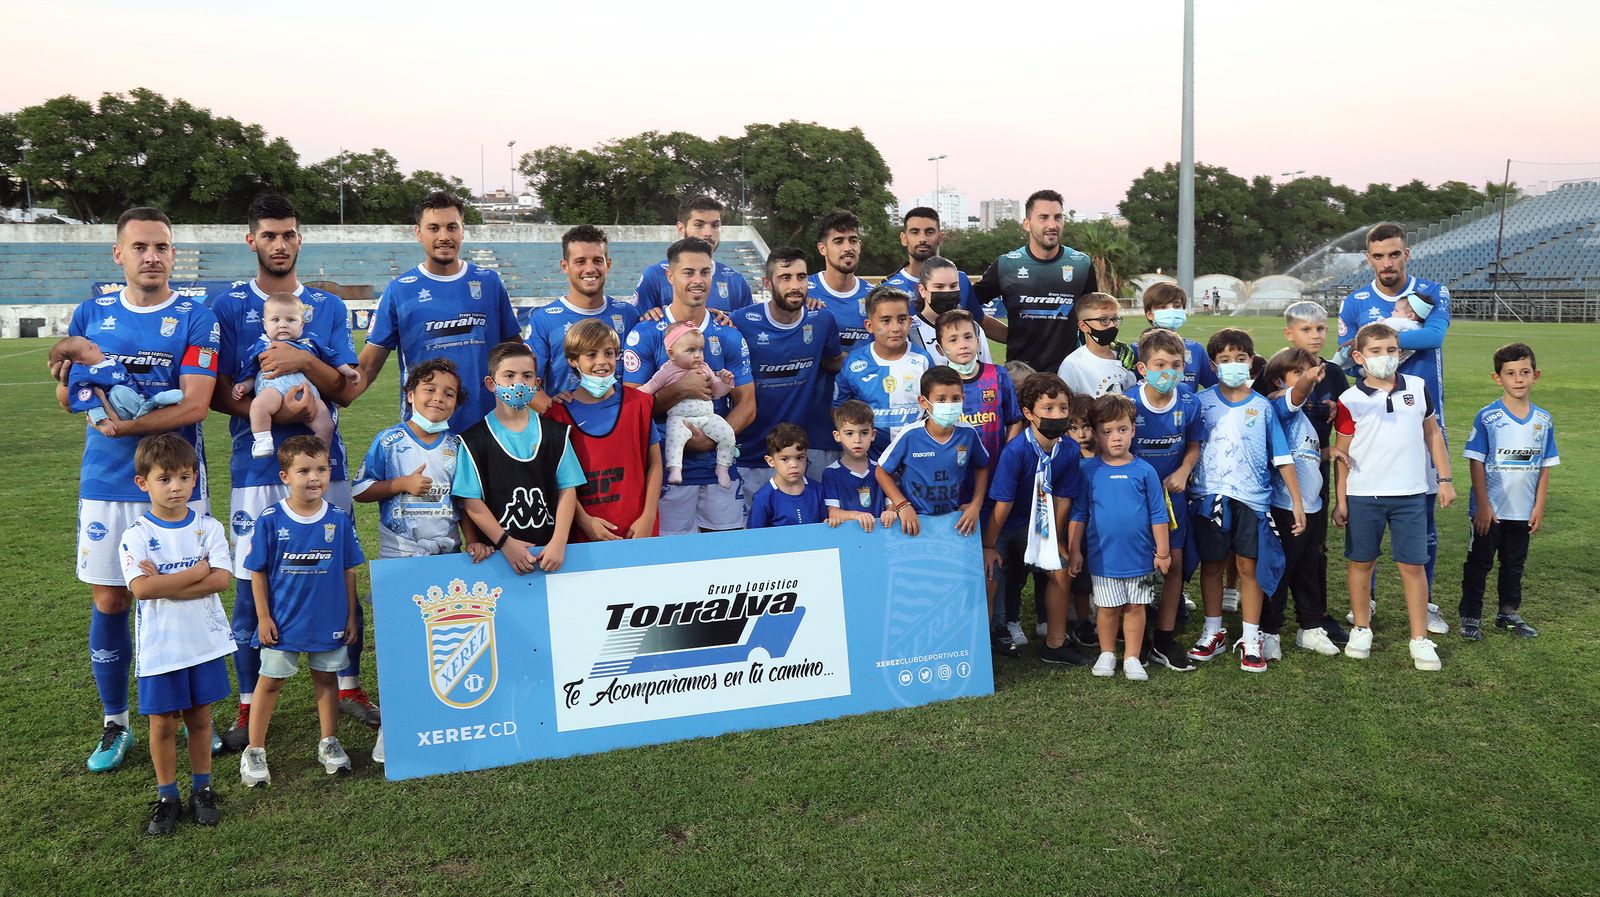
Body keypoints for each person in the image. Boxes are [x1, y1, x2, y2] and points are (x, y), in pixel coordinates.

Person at [51, 206, 220, 773]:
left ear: (174, 254)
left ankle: (198, 712)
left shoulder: (197, 317)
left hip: (176, 481)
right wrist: (85, 392)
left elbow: (195, 404)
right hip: (106, 480)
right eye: (141, 247)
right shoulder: (90, 313)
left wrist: (124, 423)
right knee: (111, 598)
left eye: (162, 247)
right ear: (118, 254)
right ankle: (115, 722)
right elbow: (69, 397)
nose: (152, 257)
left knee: (189, 591)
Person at [209, 193, 370, 749]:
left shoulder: (325, 307)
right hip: (257, 473)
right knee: (250, 581)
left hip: (327, 466)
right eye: (269, 235)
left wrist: (305, 365)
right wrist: (270, 409)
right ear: (251, 239)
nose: (280, 244)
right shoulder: (228, 307)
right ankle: (248, 701)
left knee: (340, 572)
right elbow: (218, 394)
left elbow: (347, 390)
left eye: (289, 234)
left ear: (300, 240)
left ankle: (348, 688)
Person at [1337, 222, 1453, 634]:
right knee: (1367, 505)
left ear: (1407, 254)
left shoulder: (1432, 292)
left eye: (1395, 254)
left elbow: (1434, 337)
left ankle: (1428, 601)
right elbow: (1346, 356)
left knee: (1421, 515)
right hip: (1371, 417)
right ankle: (1364, 603)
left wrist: (1385, 334)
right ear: (1368, 258)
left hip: (1419, 414)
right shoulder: (1354, 301)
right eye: (1379, 256)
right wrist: (1399, 330)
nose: (1388, 262)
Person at [118, 435, 234, 834]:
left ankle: (202, 789)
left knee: (200, 719)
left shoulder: (208, 527)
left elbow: (223, 580)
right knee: (163, 724)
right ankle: (167, 795)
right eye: (164, 479)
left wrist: (168, 580)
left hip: (204, 642)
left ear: (195, 478)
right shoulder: (135, 534)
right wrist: (196, 572)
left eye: (184, 477)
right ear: (143, 483)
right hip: (161, 647)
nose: (175, 487)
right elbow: (141, 589)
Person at [238, 436, 364, 786]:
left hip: (328, 619)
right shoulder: (270, 519)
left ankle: (328, 742)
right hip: (283, 623)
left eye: (321, 469)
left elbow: (348, 570)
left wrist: (350, 614)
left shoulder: (338, 520)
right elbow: (257, 572)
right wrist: (263, 617)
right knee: (271, 681)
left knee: (326, 678)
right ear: (285, 476)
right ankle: (255, 749)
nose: (314, 478)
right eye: (304, 470)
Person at [1332, 322, 1456, 671]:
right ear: (1359, 356)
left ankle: (1420, 639)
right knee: (1361, 563)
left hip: (1411, 494)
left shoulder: (1417, 387)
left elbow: (1433, 434)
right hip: (1363, 494)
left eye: (1390, 350)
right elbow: (1341, 453)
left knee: (1412, 566)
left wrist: (1444, 478)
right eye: (1375, 351)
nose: (1385, 357)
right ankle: (1361, 628)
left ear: (1400, 353)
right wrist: (1340, 500)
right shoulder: (1349, 399)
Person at [1186, 328, 1305, 673]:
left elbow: (1281, 457)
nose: (1234, 365)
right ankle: (1213, 632)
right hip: (1210, 497)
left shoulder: (1263, 407)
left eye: (1241, 359)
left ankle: (1251, 638)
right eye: (1225, 360)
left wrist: (1296, 500)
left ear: (1251, 362)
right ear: (1213, 364)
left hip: (1253, 500)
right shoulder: (1201, 402)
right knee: (1211, 565)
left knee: (1248, 568)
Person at [358, 190, 522, 433]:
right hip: (427, 432)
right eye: (434, 228)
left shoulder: (489, 283)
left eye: (452, 227)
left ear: (463, 230)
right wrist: (328, 397)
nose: (444, 236)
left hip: (491, 427)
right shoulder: (399, 291)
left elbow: (517, 352)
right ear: (418, 232)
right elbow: (367, 367)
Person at [623, 237, 755, 535]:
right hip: (667, 475)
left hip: (718, 470)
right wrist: (681, 389)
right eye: (688, 272)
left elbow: (747, 405)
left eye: (705, 272)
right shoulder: (645, 334)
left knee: (727, 558)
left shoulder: (729, 335)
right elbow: (631, 408)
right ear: (670, 276)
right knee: (670, 564)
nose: (698, 281)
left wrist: (710, 440)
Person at [454, 341, 586, 572]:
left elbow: (568, 488)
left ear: (537, 384)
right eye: (509, 375)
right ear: (491, 383)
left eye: (526, 376)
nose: (518, 383)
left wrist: (559, 541)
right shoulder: (473, 440)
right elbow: (471, 501)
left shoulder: (555, 433)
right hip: (498, 558)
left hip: (551, 555)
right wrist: (506, 543)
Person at [984, 373, 1088, 665]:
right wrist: (989, 546)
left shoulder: (1068, 449)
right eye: (1049, 409)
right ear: (1029, 414)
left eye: (1063, 408)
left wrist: (1055, 541)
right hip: (1006, 526)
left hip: (1040, 525)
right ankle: (987, 638)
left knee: (1060, 571)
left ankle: (1055, 645)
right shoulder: (1015, 452)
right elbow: (1001, 505)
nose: (1058, 415)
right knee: (991, 575)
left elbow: (1064, 498)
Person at [1067, 394, 1171, 681]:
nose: (1116, 438)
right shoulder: (1088, 471)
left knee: (1136, 607)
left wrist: (1162, 552)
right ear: (1096, 434)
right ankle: (1107, 653)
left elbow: (1158, 514)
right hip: (1103, 558)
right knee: (1108, 607)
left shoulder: (1145, 471)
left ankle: (1133, 657)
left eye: (1122, 430)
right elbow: (1079, 514)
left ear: (1133, 430)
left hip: (1140, 558)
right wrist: (1075, 550)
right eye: (1107, 432)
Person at [1460, 342, 1556, 640]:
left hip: (1522, 511)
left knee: (1514, 565)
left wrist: (1538, 506)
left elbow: (1544, 466)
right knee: (1479, 564)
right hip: (1491, 512)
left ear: (1535, 375)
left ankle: (1508, 613)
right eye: (1510, 373)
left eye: (1524, 372)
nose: (1518, 379)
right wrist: (1484, 506)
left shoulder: (1543, 420)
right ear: (1497, 378)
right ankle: (1471, 616)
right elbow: (1476, 463)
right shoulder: (1488, 417)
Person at [733, 247, 843, 498]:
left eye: (801, 277)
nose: (795, 285)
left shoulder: (822, 320)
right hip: (750, 455)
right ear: (767, 282)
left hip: (798, 457)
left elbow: (834, 361)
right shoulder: (741, 322)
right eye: (785, 277)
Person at [1254, 348, 1339, 659]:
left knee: (1309, 568)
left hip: (1311, 505)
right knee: (1280, 570)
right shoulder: (1281, 405)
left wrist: (1331, 454)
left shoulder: (1305, 415)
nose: (1309, 376)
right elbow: (1297, 393)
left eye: (1311, 369)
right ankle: (1270, 631)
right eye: (1299, 371)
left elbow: (1307, 456)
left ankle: (1311, 627)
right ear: (1279, 380)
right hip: (1286, 505)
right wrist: (1307, 379)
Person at [544, 319, 663, 542]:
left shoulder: (639, 405)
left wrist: (648, 516)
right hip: (585, 534)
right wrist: (583, 520)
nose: (602, 362)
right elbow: (556, 478)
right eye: (591, 355)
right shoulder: (557, 415)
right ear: (572, 360)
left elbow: (655, 464)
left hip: (637, 530)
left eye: (608, 353)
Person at [1129, 328, 1205, 671]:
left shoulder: (1189, 401)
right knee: (1138, 566)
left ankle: (1165, 637)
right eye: (1160, 364)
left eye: (1176, 365)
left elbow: (1193, 445)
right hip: (1134, 499)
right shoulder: (1128, 403)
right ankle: (1136, 636)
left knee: (1172, 564)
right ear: (1143, 368)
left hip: (1173, 499)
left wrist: (1184, 471)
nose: (1168, 372)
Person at [353, 358, 480, 559]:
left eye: (449, 394)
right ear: (411, 395)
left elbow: (463, 501)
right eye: (430, 389)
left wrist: (472, 541)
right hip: (399, 553)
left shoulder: (456, 447)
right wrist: (401, 483)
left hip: (447, 552)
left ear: (456, 403)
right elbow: (359, 490)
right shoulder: (389, 441)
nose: (439, 398)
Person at [1281, 300, 1351, 646]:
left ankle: (1315, 615)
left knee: (1316, 546)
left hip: (1318, 468)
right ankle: (1270, 618)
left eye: (1321, 329)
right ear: (1289, 333)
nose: (1315, 336)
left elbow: (1344, 428)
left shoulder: (1335, 374)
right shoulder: (1277, 368)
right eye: (1306, 329)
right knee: (1287, 546)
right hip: (1283, 473)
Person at [972, 189, 1098, 373]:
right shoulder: (1007, 264)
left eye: (1058, 217)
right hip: (1022, 377)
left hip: (1070, 374)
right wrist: (1010, 335)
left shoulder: (1081, 264)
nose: (1052, 224)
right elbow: (971, 307)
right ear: (1027, 224)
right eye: (1043, 217)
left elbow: (1092, 317)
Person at [233, 291, 361, 457]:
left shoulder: (310, 342)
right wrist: (244, 385)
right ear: (265, 325)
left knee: (326, 425)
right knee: (259, 406)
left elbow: (333, 357)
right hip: (273, 388)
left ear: (302, 325)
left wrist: (348, 371)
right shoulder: (262, 345)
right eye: (275, 320)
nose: (282, 325)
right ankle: (263, 440)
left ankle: (319, 454)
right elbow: (250, 368)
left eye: (290, 320)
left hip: (308, 392)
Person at [525, 224, 640, 404]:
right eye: (580, 261)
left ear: (608, 264)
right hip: (567, 428)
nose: (590, 269)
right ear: (565, 266)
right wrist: (553, 409)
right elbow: (528, 382)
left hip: (619, 422)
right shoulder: (544, 320)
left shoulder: (628, 314)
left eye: (597, 260)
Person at [877, 366, 991, 537]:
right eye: (941, 399)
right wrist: (902, 505)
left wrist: (975, 505)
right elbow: (881, 471)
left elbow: (983, 465)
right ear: (924, 402)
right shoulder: (910, 435)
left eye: (955, 398)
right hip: (914, 520)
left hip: (952, 521)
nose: (949, 405)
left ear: (963, 399)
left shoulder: (968, 433)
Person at [833, 286, 934, 458]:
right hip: (869, 459)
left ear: (910, 322)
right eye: (886, 321)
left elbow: (933, 409)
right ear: (869, 325)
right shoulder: (854, 363)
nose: (895, 328)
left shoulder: (923, 360)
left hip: (915, 456)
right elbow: (838, 410)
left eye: (901, 319)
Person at [879, 208, 1004, 345]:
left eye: (929, 232)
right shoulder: (888, 289)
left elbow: (980, 321)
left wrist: (1023, 339)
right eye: (915, 232)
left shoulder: (960, 280)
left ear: (940, 237)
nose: (922, 239)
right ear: (904, 238)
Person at [637, 323, 739, 487]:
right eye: (691, 350)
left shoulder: (705, 368)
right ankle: (675, 469)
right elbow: (649, 388)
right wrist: (630, 397)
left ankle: (722, 467)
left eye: (700, 349)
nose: (698, 355)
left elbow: (717, 391)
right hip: (680, 419)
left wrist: (726, 383)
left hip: (707, 417)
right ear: (672, 354)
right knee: (675, 439)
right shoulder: (667, 371)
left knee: (727, 433)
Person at [632, 195, 754, 314]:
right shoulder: (655, 276)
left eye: (715, 225)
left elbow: (747, 329)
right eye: (699, 225)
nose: (708, 233)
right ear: (681, 228)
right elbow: (639, 324)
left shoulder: (735, 280)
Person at [51, 335, 184, 434]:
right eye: (90, 348)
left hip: (137, 398)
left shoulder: (106, 361)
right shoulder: (86, 375)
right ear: (79, 362)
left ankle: (152, 402)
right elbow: (87, 402)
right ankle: (151, 405)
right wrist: (103, 422)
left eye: (92, 343)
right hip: (117, 412)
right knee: (117, 391)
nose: (96, 346)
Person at [821, 401, 895, 532]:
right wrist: (857, 516)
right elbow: (832, 512)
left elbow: (892, 503)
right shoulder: (831, 473)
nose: (857, 440)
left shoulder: (881, 469)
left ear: (873, 434)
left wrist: (890, 512)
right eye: (849, 433)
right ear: (837, 436)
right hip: (849, 538)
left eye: (864, 433)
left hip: (881, 535)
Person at [807, 210, 875, 351]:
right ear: (822, 249)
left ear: (859, 246)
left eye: (853, 241)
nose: (848, 248)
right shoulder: (804, 291)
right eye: (838, 241)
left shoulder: (873, 296)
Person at [909, 257, 994, 366]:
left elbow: (987, 373)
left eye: (953, 286)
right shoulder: (910, 332)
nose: (948, 291)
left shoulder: (973, 328)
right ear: (922, 290)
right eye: (939, 287)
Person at [1057, 292, 1137, 397]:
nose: (1112, 325)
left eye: (1115, 319)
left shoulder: (1125, 357)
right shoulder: (1072, 365)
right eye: (1104, 320)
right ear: (1083, 326)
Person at [747, 424, 828, 528]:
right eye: (785, 459)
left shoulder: (817, 490)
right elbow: (755, 536)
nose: (794, 465)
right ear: (771, 461)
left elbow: (824, 526)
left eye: (799, 458)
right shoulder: (763, 497)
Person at [1139, 282, 1217, 389]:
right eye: (1162, 307)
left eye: (1177, 306)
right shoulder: (1137, 349)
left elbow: (1215, 386)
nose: (1171, 311)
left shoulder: (1195, 349)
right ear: (1150, 314)